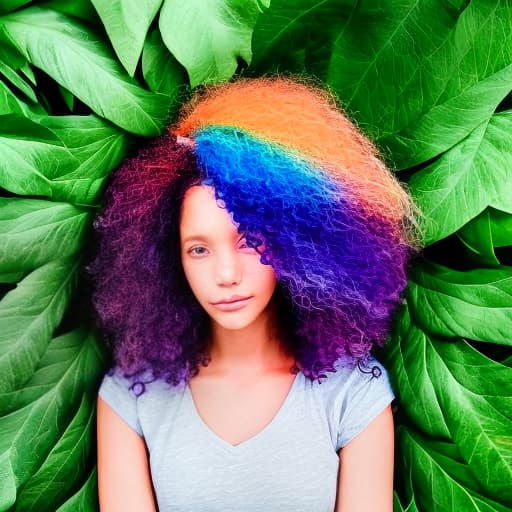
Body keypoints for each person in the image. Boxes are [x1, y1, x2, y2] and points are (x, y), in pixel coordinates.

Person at [89, 77, 418, 511]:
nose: (226, 274)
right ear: (168, 260)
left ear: (294, 242)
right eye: (199, 249)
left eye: (248, 241)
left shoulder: (352, 393)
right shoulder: (132, 397)